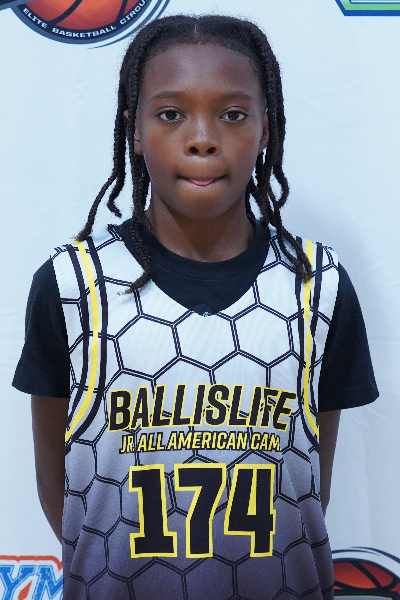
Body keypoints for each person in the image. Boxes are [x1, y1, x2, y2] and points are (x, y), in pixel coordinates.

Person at [13, 14, 378, 600]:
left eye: (232, 114)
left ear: (266, 128)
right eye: (170, 114)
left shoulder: (318, 286)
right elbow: (62, 495)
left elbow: (311, 487)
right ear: (133, 131)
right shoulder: (71, 285)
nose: (202, 138)